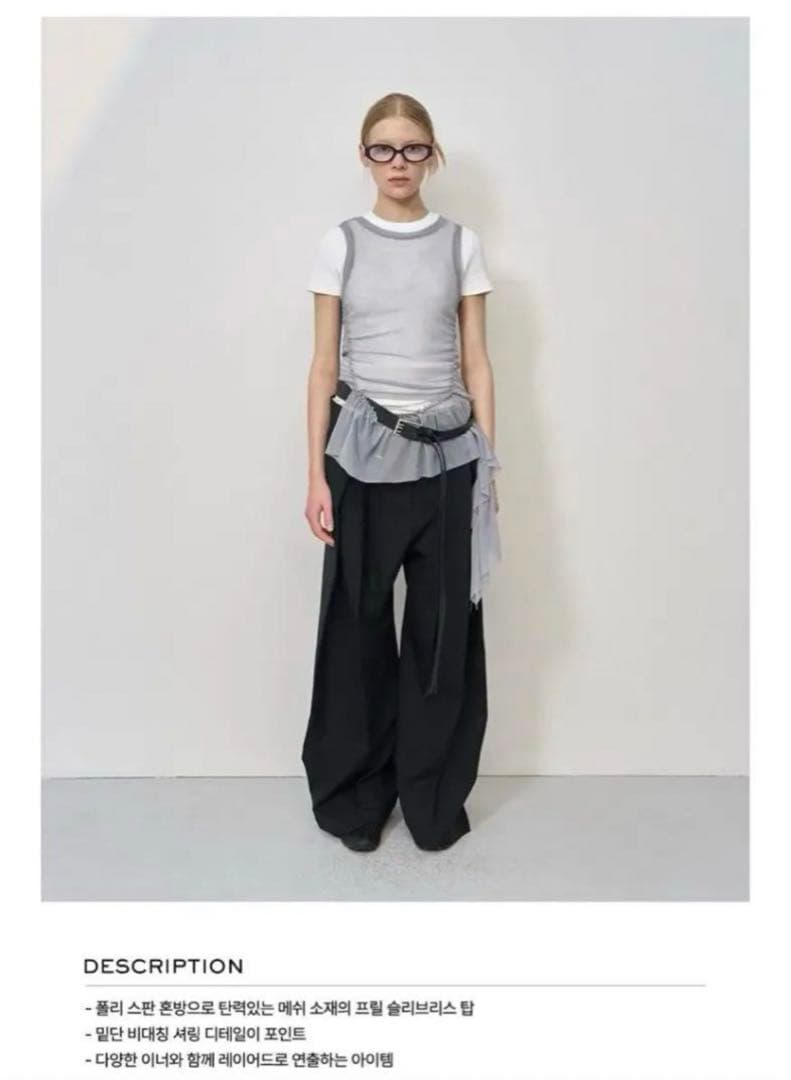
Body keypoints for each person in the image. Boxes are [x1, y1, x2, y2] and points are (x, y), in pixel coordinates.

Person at [301, 91, 502, 854]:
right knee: (355, 630)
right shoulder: (341, 243)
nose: (398, 163)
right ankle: (355, 801)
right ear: (364, 156)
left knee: (442, 632)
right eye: (383, 149)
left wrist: (487, 468)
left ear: (432, 156)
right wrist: (314, 477)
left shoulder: (460, 244)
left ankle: (431, 802)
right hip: (359, 457)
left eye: (413, 148)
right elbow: (323, 366)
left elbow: (476, 361)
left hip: (449, 459)